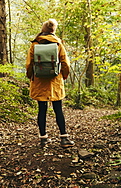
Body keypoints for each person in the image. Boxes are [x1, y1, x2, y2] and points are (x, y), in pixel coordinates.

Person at [26, 19, 75, 148]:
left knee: (41, 110)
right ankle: (64, 138)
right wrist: (64, 75)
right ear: (54, 30)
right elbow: (66, 63)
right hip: (55, 82)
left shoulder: (34, 44)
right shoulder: (58, 44)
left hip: (39, 81)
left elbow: (29, 64)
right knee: (58, 109)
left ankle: (43, 139)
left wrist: (31, 76)